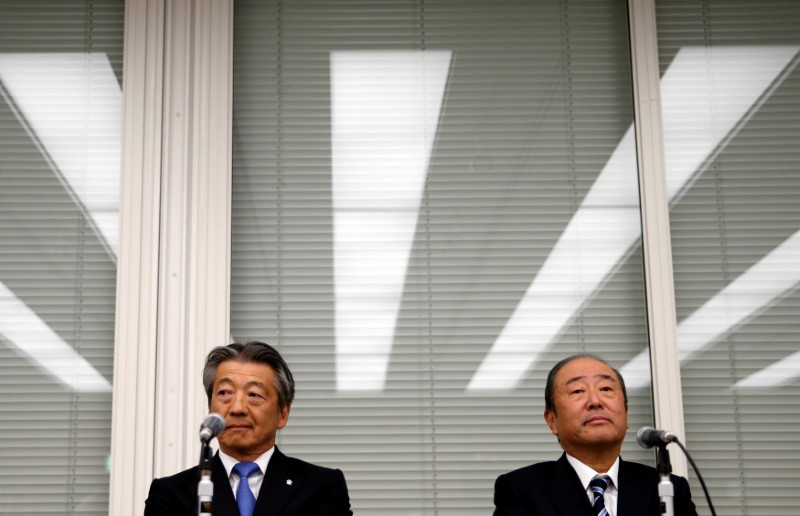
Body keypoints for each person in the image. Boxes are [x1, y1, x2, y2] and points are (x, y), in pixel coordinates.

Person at [145, 341, 353, 515]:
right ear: (210, 409)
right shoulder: (172, 494)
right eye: (225, 393)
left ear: (283, 413)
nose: (237, 408)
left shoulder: (321, 487)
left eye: (254, 394)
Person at [493, 354, 697, 515]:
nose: (595, 401)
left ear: (626, 413)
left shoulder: (668, 490)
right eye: (578, 391)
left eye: (606, 388)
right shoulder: (522, 490)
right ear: (552, 421)